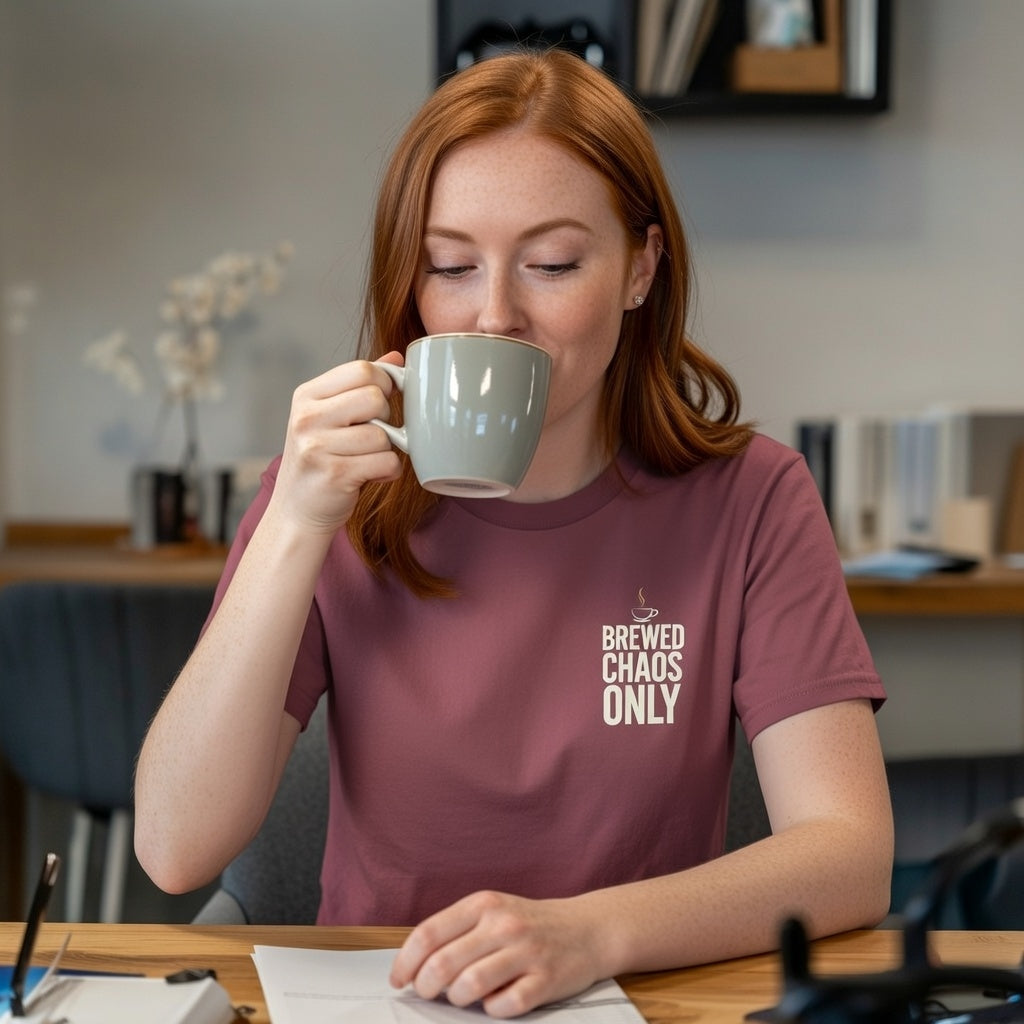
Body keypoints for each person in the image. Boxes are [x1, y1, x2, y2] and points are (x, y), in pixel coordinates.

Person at [135, 48, 893, 1019]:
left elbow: (848, 851)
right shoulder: (329, 495)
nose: (493, 314)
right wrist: (294, 521)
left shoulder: (752, 496)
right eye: (450, 265)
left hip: (643, 998)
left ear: (639, 268)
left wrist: (586, 932)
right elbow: (172, 846)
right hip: (380, 1000)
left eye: (551, 263)